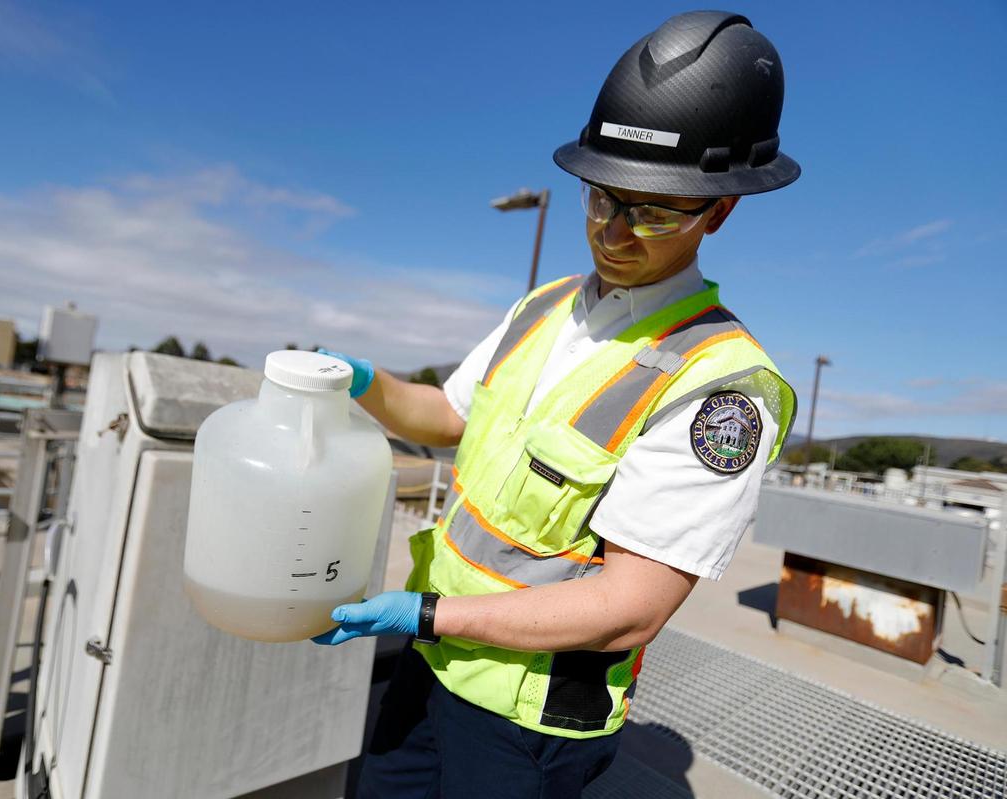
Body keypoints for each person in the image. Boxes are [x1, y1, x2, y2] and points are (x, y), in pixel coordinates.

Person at [313, 10, 799, 798]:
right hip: (435, 665)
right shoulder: (546, 306)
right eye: (602, 197)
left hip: (527, 719)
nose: (614, 231)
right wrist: (367, 384)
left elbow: (628, 609)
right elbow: (449, 416)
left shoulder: (720, 387)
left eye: (654, 210)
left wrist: (429, 614)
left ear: (720, 210)